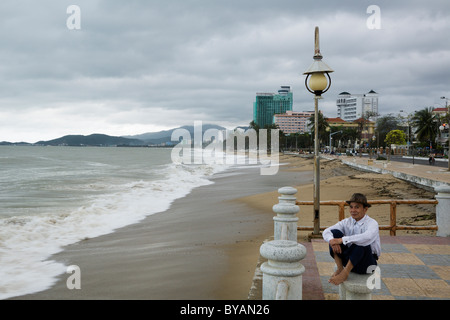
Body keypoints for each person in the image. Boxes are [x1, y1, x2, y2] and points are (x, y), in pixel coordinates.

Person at [322, 193, 381, 285]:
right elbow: (326, 231)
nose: (353, 210)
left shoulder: (372, 223)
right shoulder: (347, 222)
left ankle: (344, 274)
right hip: (350, 260)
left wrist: (342, 240)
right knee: (334, 233)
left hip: (366, 264)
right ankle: (340, 268)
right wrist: (332, 240)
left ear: (365, 209)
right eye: (351, 207)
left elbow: (367, 237)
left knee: (361, 243)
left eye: (357, 207)